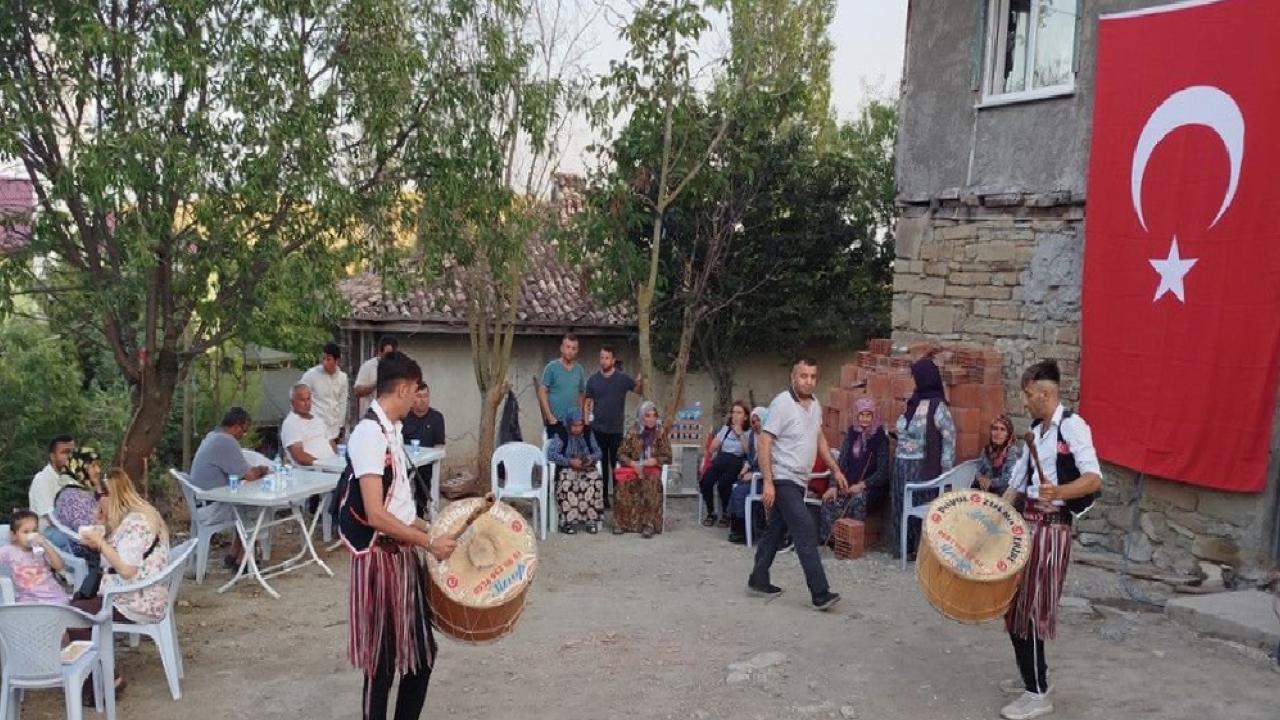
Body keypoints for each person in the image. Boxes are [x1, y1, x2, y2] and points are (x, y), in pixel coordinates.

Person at [343, 350, 456, 720]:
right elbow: (375, 514)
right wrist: (429, 543)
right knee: (381, 665)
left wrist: (435, 529)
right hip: (378, 561)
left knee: (422, 657)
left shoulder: (392, 430)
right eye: (416, 390)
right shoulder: (368, 434)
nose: (419, 398)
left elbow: (401, 508)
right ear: (404, 389)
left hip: (402, 558)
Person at [996, 361, 1102, 720]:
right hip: (1026, 527)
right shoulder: (1035, 431)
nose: (1024, 402)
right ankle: (1035, 678)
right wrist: (994, 517)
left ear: (1044, 394)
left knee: (1029, 610)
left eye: (1028, 395)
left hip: (1052, 530)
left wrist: (1058, 491)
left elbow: (1093, 478)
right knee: (1014, 605)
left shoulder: (1072, 426)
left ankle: (1037, 693)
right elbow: (1017, 482)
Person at [747, 358, 844, 611]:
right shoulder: (782, 404)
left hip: (800, 480)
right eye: (803, 376)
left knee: (776, 530)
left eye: (813, 376)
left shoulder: (815, 405)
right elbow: (765, 441)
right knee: (804, 528)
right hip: (783, 477)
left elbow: (819, 438)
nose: (808, 381)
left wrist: (835, 469)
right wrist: (769, 482)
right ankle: (820, 593)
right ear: (793, 377)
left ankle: (758, 579)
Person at [70, 468, 171, 704]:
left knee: (75, 616)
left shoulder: (137, 523)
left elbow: (127, 570)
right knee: (76, 605)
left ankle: (106, 681)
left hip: (137, 599)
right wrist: (100, 533)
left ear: (111, 495)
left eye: (98, 496)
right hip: (137, 592)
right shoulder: (136, 516)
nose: (96, 503)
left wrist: (100, 543)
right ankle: (96, 676)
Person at [889, 357, 955, 561]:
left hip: (921, 467)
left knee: (918, 505)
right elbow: (904, 428)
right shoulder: (913, 402)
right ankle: (902, 548)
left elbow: (949, 438)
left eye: (916, 377)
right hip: (901, 464)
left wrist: (946, 472)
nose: (914, 381)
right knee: (899, 504)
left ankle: (919, 550)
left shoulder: (937, 406)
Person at [190, 407, 271, 567]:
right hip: (211, 510)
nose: (243, 436)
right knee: (259, 507)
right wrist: (263, 469)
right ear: (236, 426)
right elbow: (250, 475)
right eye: (244, 431)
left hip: (202, 503)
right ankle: (246, 558)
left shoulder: (212, 436)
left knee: (244, 505)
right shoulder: (226, 441)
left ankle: (234, 554)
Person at [819, 398, 891, 545]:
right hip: (849, 485)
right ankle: (832, 541)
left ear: (874, 416)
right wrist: (833, 486)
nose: (865, 418)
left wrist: (862, 485)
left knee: (857, 499)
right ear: (857, 416)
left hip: (871, 488)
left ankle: (852, 542)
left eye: (868, 415)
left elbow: (882, 473)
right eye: (861, 415)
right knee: (829, 500)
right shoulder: (851, 434)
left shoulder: (880, 438)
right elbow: (841, 462)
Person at [585, 345, 643, 509]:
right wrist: (586, 422)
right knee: (600, 464)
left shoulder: (622, 379)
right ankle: (603, 497)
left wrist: (640, 380)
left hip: (616, 430)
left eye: (607, 358)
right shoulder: (593, 380)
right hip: (598, 429)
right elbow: (587, 402)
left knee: (616, 464)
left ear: (613, 360)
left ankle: (618, 496)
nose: (604, 361)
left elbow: (638, 390)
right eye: (602, 357)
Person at [612, 401, 672, 538]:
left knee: (651, 482)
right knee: (622, 484)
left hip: (652, 469)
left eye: (654, 415)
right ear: (641, 416)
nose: (652, 419)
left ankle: (648, 524)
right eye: (647, 416)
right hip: (634, 467)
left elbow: (668, 456)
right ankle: (622, 523)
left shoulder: (660, 433)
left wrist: (655, 460)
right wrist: (633, 463)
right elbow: (621, 454)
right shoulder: (633, 432)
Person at [547, 408, 603, 535]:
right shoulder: (562, 434)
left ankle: (590, 521)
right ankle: (568, 522)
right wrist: (569, 462)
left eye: (580, 425)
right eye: (575, 425)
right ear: (568, 424)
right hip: (567, 468)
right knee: (567, 483)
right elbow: (551, 454)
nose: (578, 429)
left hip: (585, 468)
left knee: (595, 480)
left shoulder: (588, 433)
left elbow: (599, 452)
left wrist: (590, 458)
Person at [700, 401, 753, 528]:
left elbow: (748, 452)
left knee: (724, 484)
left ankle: (726, 514)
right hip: (721, 459)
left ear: (746, 416)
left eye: (739, 413)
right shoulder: (726, 429)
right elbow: (712, 448)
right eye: (733, 412)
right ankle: (711, 512)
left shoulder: (749, 432)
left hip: (736, 461)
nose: (735, 415)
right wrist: (718, 438)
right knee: (705, 481)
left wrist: (740, 434)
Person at [0, 509, 69, 605]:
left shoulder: (42, 548)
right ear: (13, 535)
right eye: (26, 532)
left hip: (54, 596)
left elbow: (59, 566)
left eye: (35, 531)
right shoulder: (9, 551)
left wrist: (45, 545)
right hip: (27, 598)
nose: (32, 535)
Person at [401, 383, 446, 517]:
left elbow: (440, 446)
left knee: (424, 476)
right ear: (412, 398)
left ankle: (420, 514)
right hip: (405, 463)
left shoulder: (436, 417)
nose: (422, 400)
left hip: (427, 464)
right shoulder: (404, 417)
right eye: (419, 396)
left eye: (425, 396)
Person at [28, 434, 76, 552]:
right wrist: (76, 535)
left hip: (69, 527)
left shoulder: (71, 479)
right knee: (71, 541)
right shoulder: (41, 480)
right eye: (65, 452)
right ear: (53, 456)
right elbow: (51, 518)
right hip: (47, 531)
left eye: (72, 452)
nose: (70, 457)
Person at [727, 407, 768, 544]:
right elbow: (750, 458)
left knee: (740, 491)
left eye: (758, 421)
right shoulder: (753, 436)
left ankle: (743, 532)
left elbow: (772, 463)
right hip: (754, 474)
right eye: (753, 422)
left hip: (765, 480)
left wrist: (755, 474)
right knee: (735, 487)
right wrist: (745, 469)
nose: (756, 424)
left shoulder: (770, 439)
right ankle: (737, 529)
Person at [538, 333, 585, 446]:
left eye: (573, 348)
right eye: (568, 347)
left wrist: (580, 415)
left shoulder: (579, 370)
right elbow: (542, 392)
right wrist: (549, 416)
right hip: (556, 422)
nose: (570, 351)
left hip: (573, 424)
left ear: (577, 351)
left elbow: (581, 393)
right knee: (556, 454)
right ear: (562, 348)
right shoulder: (551, 368)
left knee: (573, 454)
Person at [301, 342, 350, 443]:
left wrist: (341, 426)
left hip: (334, 430)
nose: (324, 362)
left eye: (328, 359)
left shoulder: (342, 378)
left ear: (337, 360)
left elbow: (342, 403)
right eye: (323, 358)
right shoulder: (311, 375)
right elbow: (298, 395)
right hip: (315, 429)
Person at [281, 383, 337, 466]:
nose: (306, 403)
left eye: (308, 399)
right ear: (292, 402)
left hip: (332, 466)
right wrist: (323, 464)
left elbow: (331, 443)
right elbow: (300, 457)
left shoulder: (318, 419)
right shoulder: (291, 423)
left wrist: (335, 461)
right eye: (302, 400)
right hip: (312, 469)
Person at [354, 335, 399, 419]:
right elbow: (357, 391)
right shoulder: (368, 366)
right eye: (387, 355)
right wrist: (376, 383)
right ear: (379, 352)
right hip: (370, 419)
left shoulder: (399, 369)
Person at [976, 414, 1017, 495]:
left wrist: (991, 482)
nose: (998, 433)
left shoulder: (1012, 452)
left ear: (1008, 435)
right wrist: (980, 479)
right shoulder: (986, 450)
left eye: (1002, 429)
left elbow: (1010, 477)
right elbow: (977, 470)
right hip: (985, 492)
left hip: (1004, 495)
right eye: (995, 429)